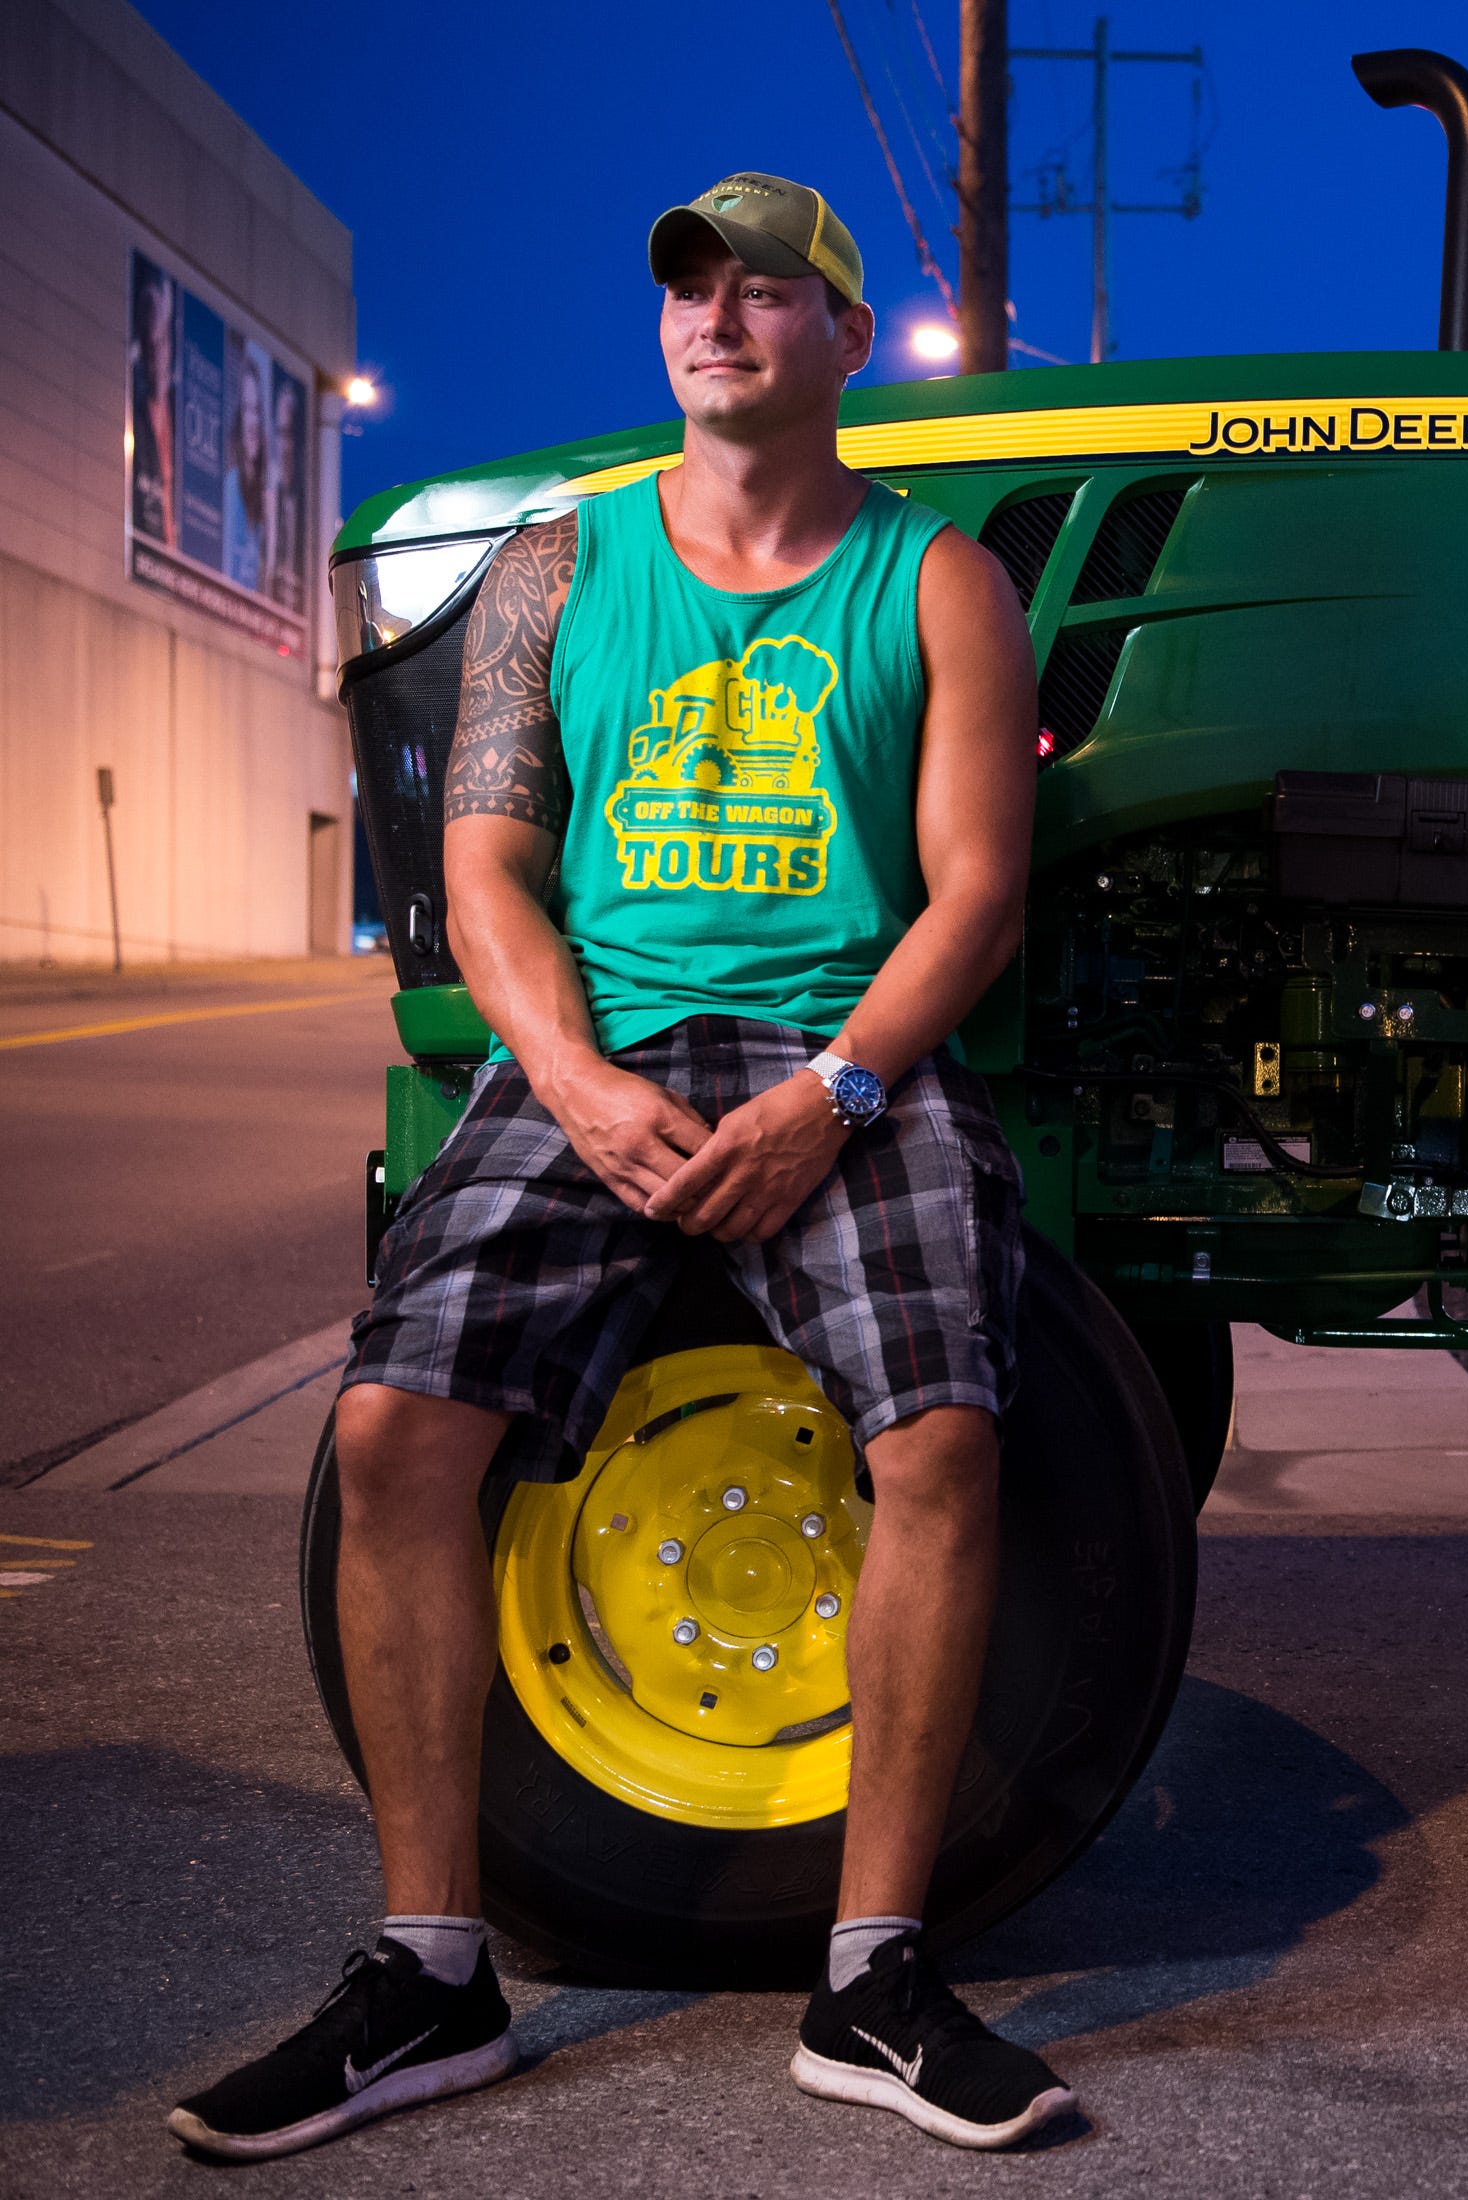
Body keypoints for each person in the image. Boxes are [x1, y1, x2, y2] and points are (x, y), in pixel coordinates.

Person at [169, 173, 1061, 2160]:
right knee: (396, 1429)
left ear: (843, 334)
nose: (717, 321)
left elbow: (979, 889)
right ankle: (431, 1973)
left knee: (941, 1438)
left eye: (764, 293)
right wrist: (564, 1073)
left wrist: (836, 1086)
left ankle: (879, 1975)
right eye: (689, 292)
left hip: (844, 1052)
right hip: (603, 1047)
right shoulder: (557, 567)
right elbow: (482, 862)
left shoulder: (941, 584)